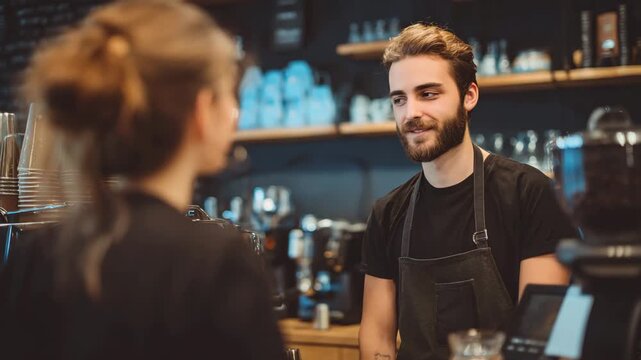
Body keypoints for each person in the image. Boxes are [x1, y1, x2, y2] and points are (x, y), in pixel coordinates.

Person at [0, 1, 284, 359]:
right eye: (230, 94)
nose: (235, 112)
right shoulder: (218, 262)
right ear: (201, 109)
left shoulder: (36, 255)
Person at [358, 24, 577, 360]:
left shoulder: (528, 194)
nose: (411, 113)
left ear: (469, 95)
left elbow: (543, 338)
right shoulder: (387, 213)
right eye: (399, 99)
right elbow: (376, 338)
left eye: (428, 94)